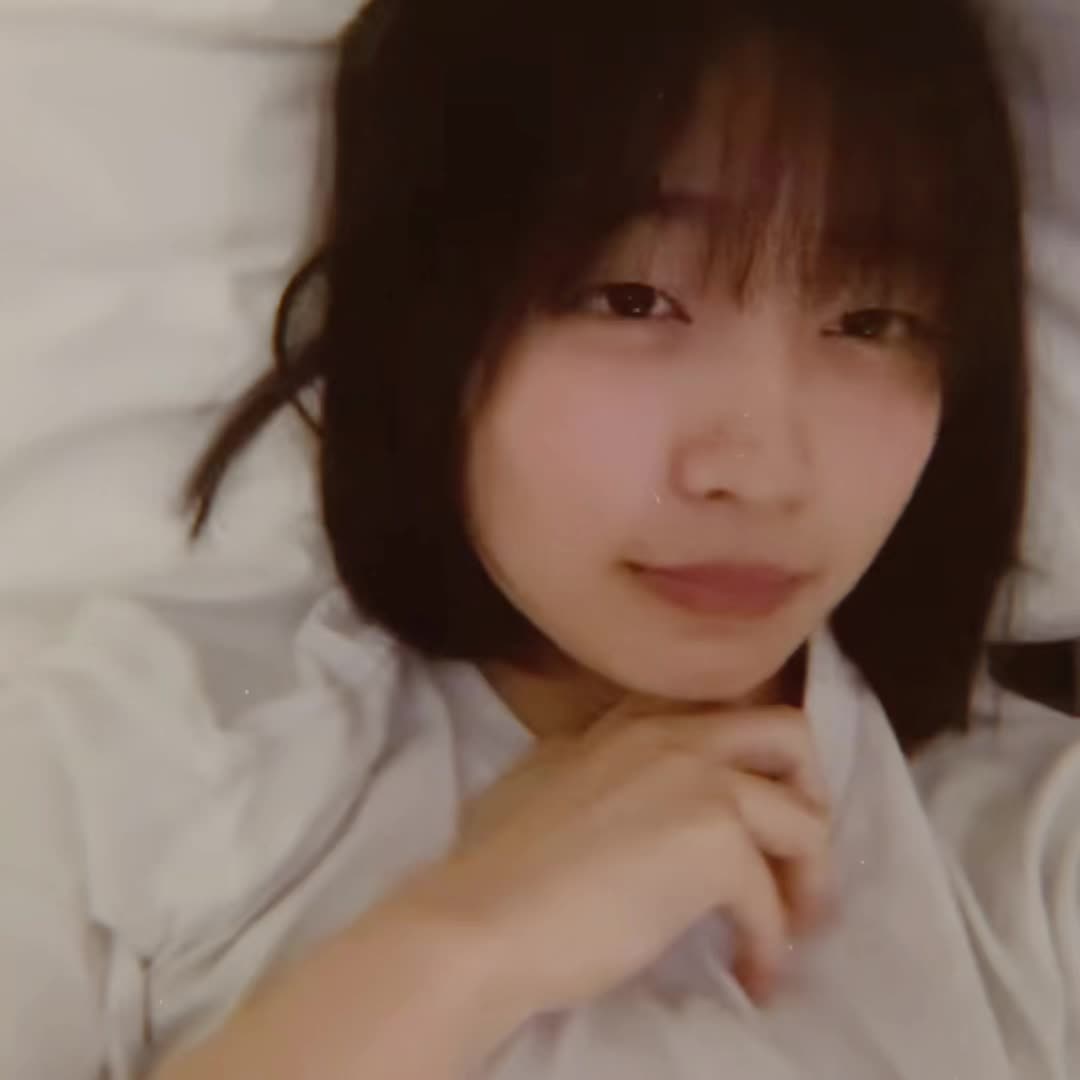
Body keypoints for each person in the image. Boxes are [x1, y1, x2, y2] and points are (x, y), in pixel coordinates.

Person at [1, 0, 1031, 1077]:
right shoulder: (120, 774)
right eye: (632, 299)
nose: (759, 473)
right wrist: (461, 950)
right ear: (426, 315)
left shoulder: (1031, 860)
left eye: (873, 323)